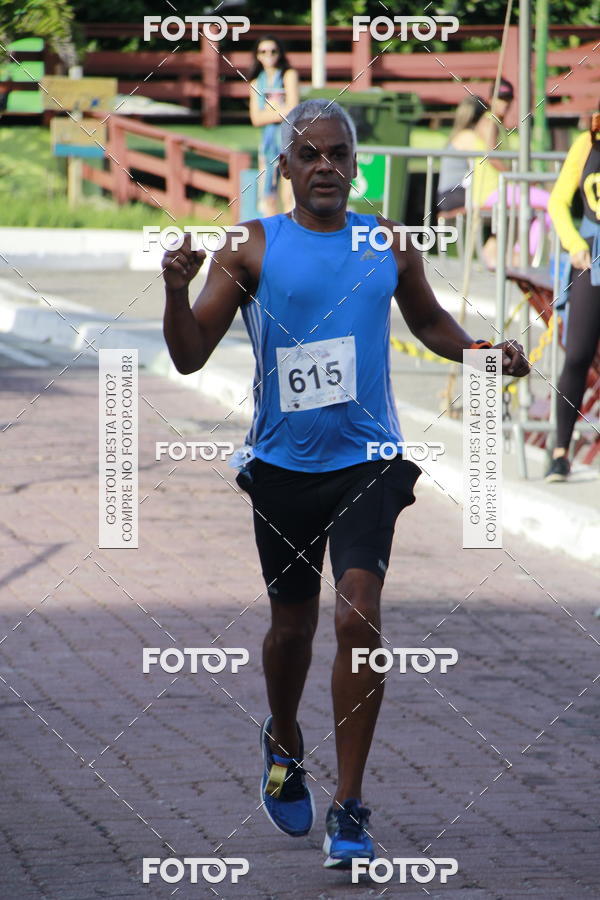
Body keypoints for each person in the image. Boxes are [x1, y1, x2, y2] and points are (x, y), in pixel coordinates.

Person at [161, 99, 530, 871]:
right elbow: (191, 354)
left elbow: (429, 321)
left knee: (359, 614)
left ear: (355, 165)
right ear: (285, 167)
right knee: (291, 634)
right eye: (309, 154)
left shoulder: (387, 244)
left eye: (338, 154)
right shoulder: (252, 247)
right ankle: (284, 739)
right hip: (283, 468)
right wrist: (173, 290)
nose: (325, 165)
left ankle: (351, 803)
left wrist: (484, 354)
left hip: (369, 461)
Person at [545, 110, 600, 482]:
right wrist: (574, 243)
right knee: (578, 353)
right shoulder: (586, 144)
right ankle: (560, 451)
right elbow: (557, 203)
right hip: (592, 253)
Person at [248, 35, 299, 216]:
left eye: (273, 51)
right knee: (267, 195)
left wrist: (269, 112)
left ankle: (291, 236)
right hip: (268, 143)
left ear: (279, 53)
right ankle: (271, 239)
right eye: (263, 51)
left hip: (289, 142)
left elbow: (293, 109)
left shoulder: (288, 75)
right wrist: (279, 110)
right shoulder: (256, 83)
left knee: (289, 195)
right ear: (257, 55)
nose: (268, 55)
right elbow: (256, 119)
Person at [437, 94, 488, 212]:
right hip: (454, 193)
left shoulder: (458, 135)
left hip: (449, 194)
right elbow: (488, 161)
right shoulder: (469, 137)